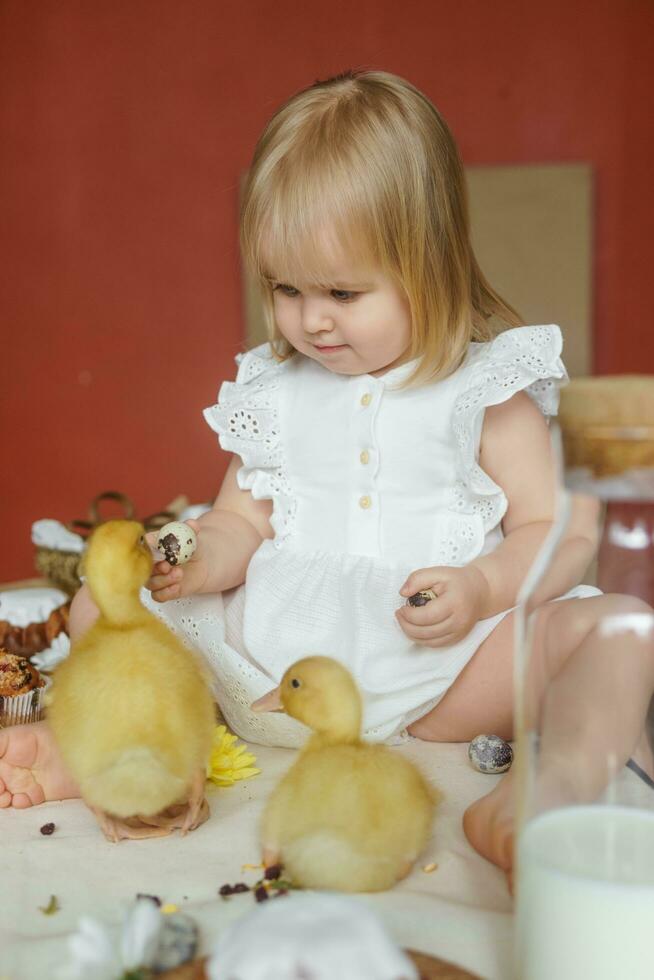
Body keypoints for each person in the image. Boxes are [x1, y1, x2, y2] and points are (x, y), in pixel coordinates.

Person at [1, 70, 653, 886]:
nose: (312, 319)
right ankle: (127, 755)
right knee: (105, 603)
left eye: (343, 292)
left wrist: (483, 588)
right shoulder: (277, 391)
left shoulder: (487, 392)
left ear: (431, 266)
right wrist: (196, 555)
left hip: (443, 676)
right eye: (286, 289)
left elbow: (554, 530)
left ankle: (544, 797)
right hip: (270, 671)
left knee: (615, 628)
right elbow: (241, 523)